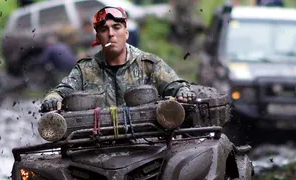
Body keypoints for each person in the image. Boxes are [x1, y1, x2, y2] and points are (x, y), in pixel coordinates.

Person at [40, 6, 195, 112]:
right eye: (104, 30)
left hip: (146, 144)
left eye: (116, 27)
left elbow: (174, 85)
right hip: (98, 147)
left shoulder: (148, 64)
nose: (111, 34)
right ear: (98, 37)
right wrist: (53, 98)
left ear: (126, 33)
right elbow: (63, 90)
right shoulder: (85, 70)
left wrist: (183, 91)